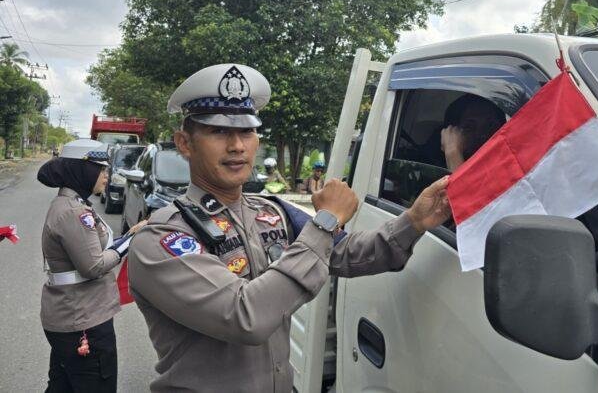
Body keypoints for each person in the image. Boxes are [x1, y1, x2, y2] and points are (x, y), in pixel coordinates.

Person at [128, 63, 451, 392]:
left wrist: (414, 221)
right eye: (218, 132)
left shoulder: (270, 211)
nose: (237, 146)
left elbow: (347, 254)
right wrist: (325, 221)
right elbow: (244, 316)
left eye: (247, 132)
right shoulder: (164, 238)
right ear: (185, 143)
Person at [37, 139, 138, 392]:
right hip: (83, 322)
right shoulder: (73, 212)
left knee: (63, 386)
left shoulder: (70, 205)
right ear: (83, 170)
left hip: (72, 317)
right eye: (101, 169)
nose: (106, 175)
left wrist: (127, 236)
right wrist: (130, 242)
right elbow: (92, 266)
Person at [440, 93, 507, 171]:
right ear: (450, 135)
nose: (482, 134)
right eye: (469, 127)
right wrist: (453, 153)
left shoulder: (514, 167)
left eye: (490, 125)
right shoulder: (428, 170)